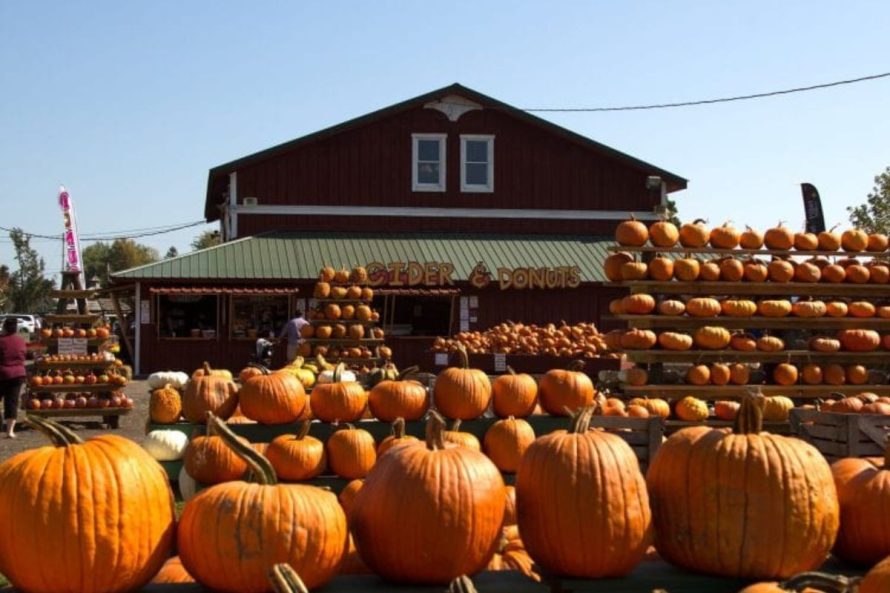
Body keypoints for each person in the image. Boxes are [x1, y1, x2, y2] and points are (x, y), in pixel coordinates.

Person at [0, 317, 27, 438]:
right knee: (12, 402)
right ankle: (10, 431)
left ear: (4, 327)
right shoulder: (20, 341)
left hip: (2, 373)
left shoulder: (1, 340)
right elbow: (24, 355)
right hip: (18, 374)